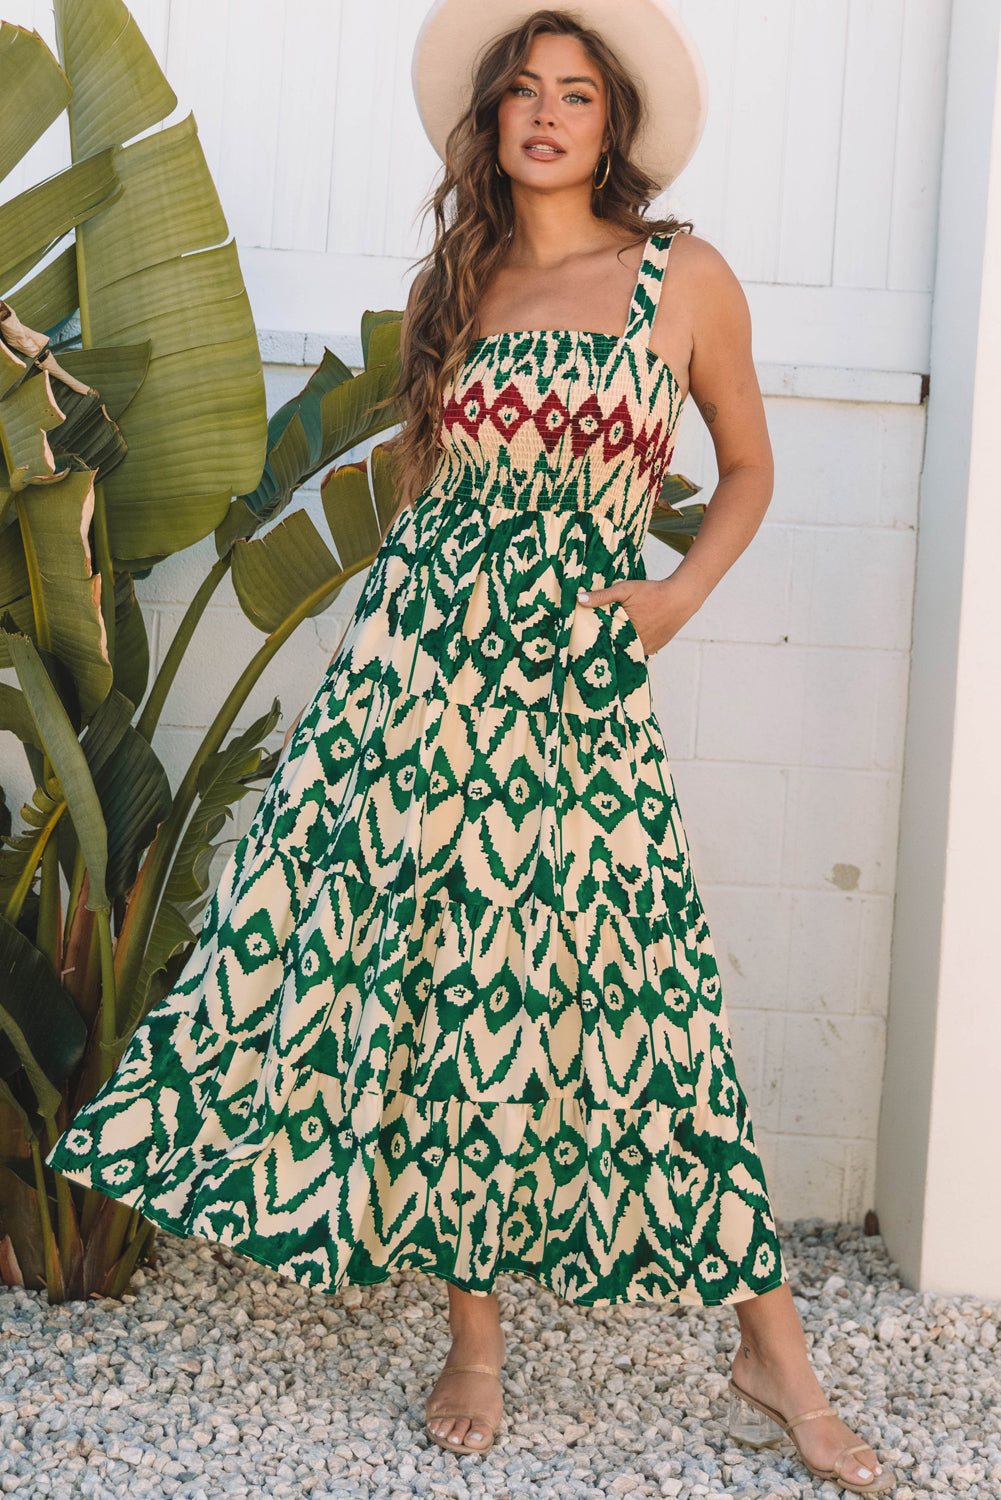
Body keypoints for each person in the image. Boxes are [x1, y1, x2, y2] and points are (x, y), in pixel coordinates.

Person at [46, 2, 893, 1493]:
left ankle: (777, 1354)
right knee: (447, 991)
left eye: (578, 95)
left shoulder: (680, 276)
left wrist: (677, 597)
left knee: (646, 992)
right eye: (524, 93)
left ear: (611, 128)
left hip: (574, 685)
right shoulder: (463, 284)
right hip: (416, 682)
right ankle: (474, 1343)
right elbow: (426, 491)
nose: (547, 115)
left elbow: (751, 467)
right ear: (492, 121)